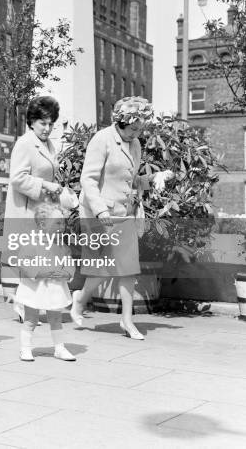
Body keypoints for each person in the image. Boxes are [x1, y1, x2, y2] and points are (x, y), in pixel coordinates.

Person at [70, 96, 173, 340]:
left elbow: (131, 181)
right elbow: (88, 179)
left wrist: (154, 179)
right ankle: (80, 298)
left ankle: (127, 320)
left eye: (140, 128)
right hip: (98, 213)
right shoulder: (102, 139)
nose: (137, 132)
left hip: (125, 213)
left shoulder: (135, 143)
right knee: (100, 269)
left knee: (128, 269)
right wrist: (100, 210)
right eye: (133, 128)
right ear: (121, 122)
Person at [4, 96, 76, 362]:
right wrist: (46, 187)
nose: (47, 128)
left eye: (50, 123)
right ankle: (27, 339)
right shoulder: (25, 143)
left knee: (50, 277)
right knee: (35, 277)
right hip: (28, 215)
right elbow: (17, 178)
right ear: (31, 122)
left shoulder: (48, 144)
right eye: (42, 122)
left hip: (45, 217)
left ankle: (55, 342)